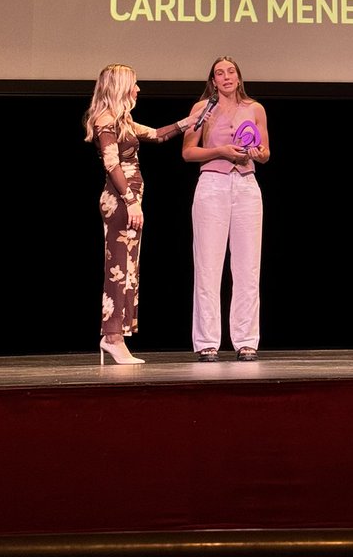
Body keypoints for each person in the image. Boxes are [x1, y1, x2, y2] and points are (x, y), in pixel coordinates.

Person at [83, 63, 197, 365]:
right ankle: (112, 337)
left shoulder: (123, 121)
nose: (138, 89)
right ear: (120, 86)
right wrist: (131, 201)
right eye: (134, 83)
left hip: (129, 199)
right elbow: (111, 163)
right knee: (119, 268)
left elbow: (158, 135)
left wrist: (191, 121)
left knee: (129, 269)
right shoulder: (105, 119)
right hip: (121, 200)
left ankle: (116, 335)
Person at [183, 56, 270, 361]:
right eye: (219, 73)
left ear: (238, 76)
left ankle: (246, 340)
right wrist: (220, 151)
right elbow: (188, 152)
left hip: (246, 186)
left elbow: (265, 153)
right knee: (208, 265)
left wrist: (258, 153)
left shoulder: (255, 108)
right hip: (212, 185)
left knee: (248, 267)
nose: (226, 76)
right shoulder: (202, 109)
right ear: (213, 81)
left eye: (231, 71)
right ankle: (207, 341)